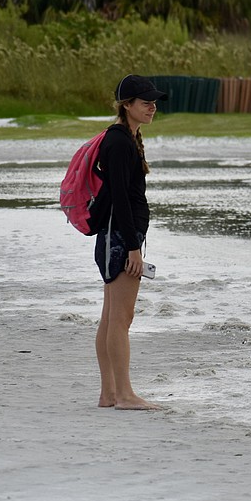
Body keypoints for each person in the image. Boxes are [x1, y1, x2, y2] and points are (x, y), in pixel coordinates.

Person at [91, 74, 167, 410]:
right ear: (127, 105)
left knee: (112, 316)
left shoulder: (127, 138)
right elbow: (121, 199)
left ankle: (109, 394)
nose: (152, 107)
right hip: (121, 239)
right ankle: (124, 394)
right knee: (121, 318)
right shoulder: (120, 142)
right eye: (145, 102)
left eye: (153, 101)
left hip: (118, 237)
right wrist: (134, 246)